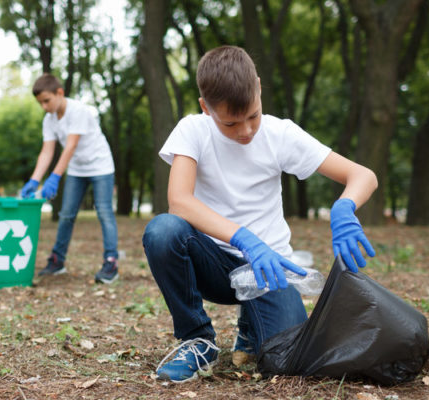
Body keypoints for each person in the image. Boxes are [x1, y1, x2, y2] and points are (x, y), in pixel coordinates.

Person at [142, 46, 378, 383]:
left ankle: (251, 327)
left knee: (286, 363)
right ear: (205, 108)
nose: (246, 131)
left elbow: (363, 175)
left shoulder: (280, 134)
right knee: (163, 231)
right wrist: (243, 238)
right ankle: (197, 339)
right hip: (212, 263)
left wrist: (344, 207)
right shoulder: (192, 130)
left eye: (253, 115)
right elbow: (179, 202)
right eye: (230, 122)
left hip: (266, 270)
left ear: (259, 87)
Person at [21, 73, 120, 284]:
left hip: (100, 165)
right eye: (40, 103)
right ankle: (57, 260)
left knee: (104, 212)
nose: (44, 107)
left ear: (59, 93)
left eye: (47, 101)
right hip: (77, 168)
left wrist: (55, 177)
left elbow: (71, 146)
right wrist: (34, 180)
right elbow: (47, 152)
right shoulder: (48, 120)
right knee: (66, 214)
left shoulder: (78, 111)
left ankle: (111, 262)